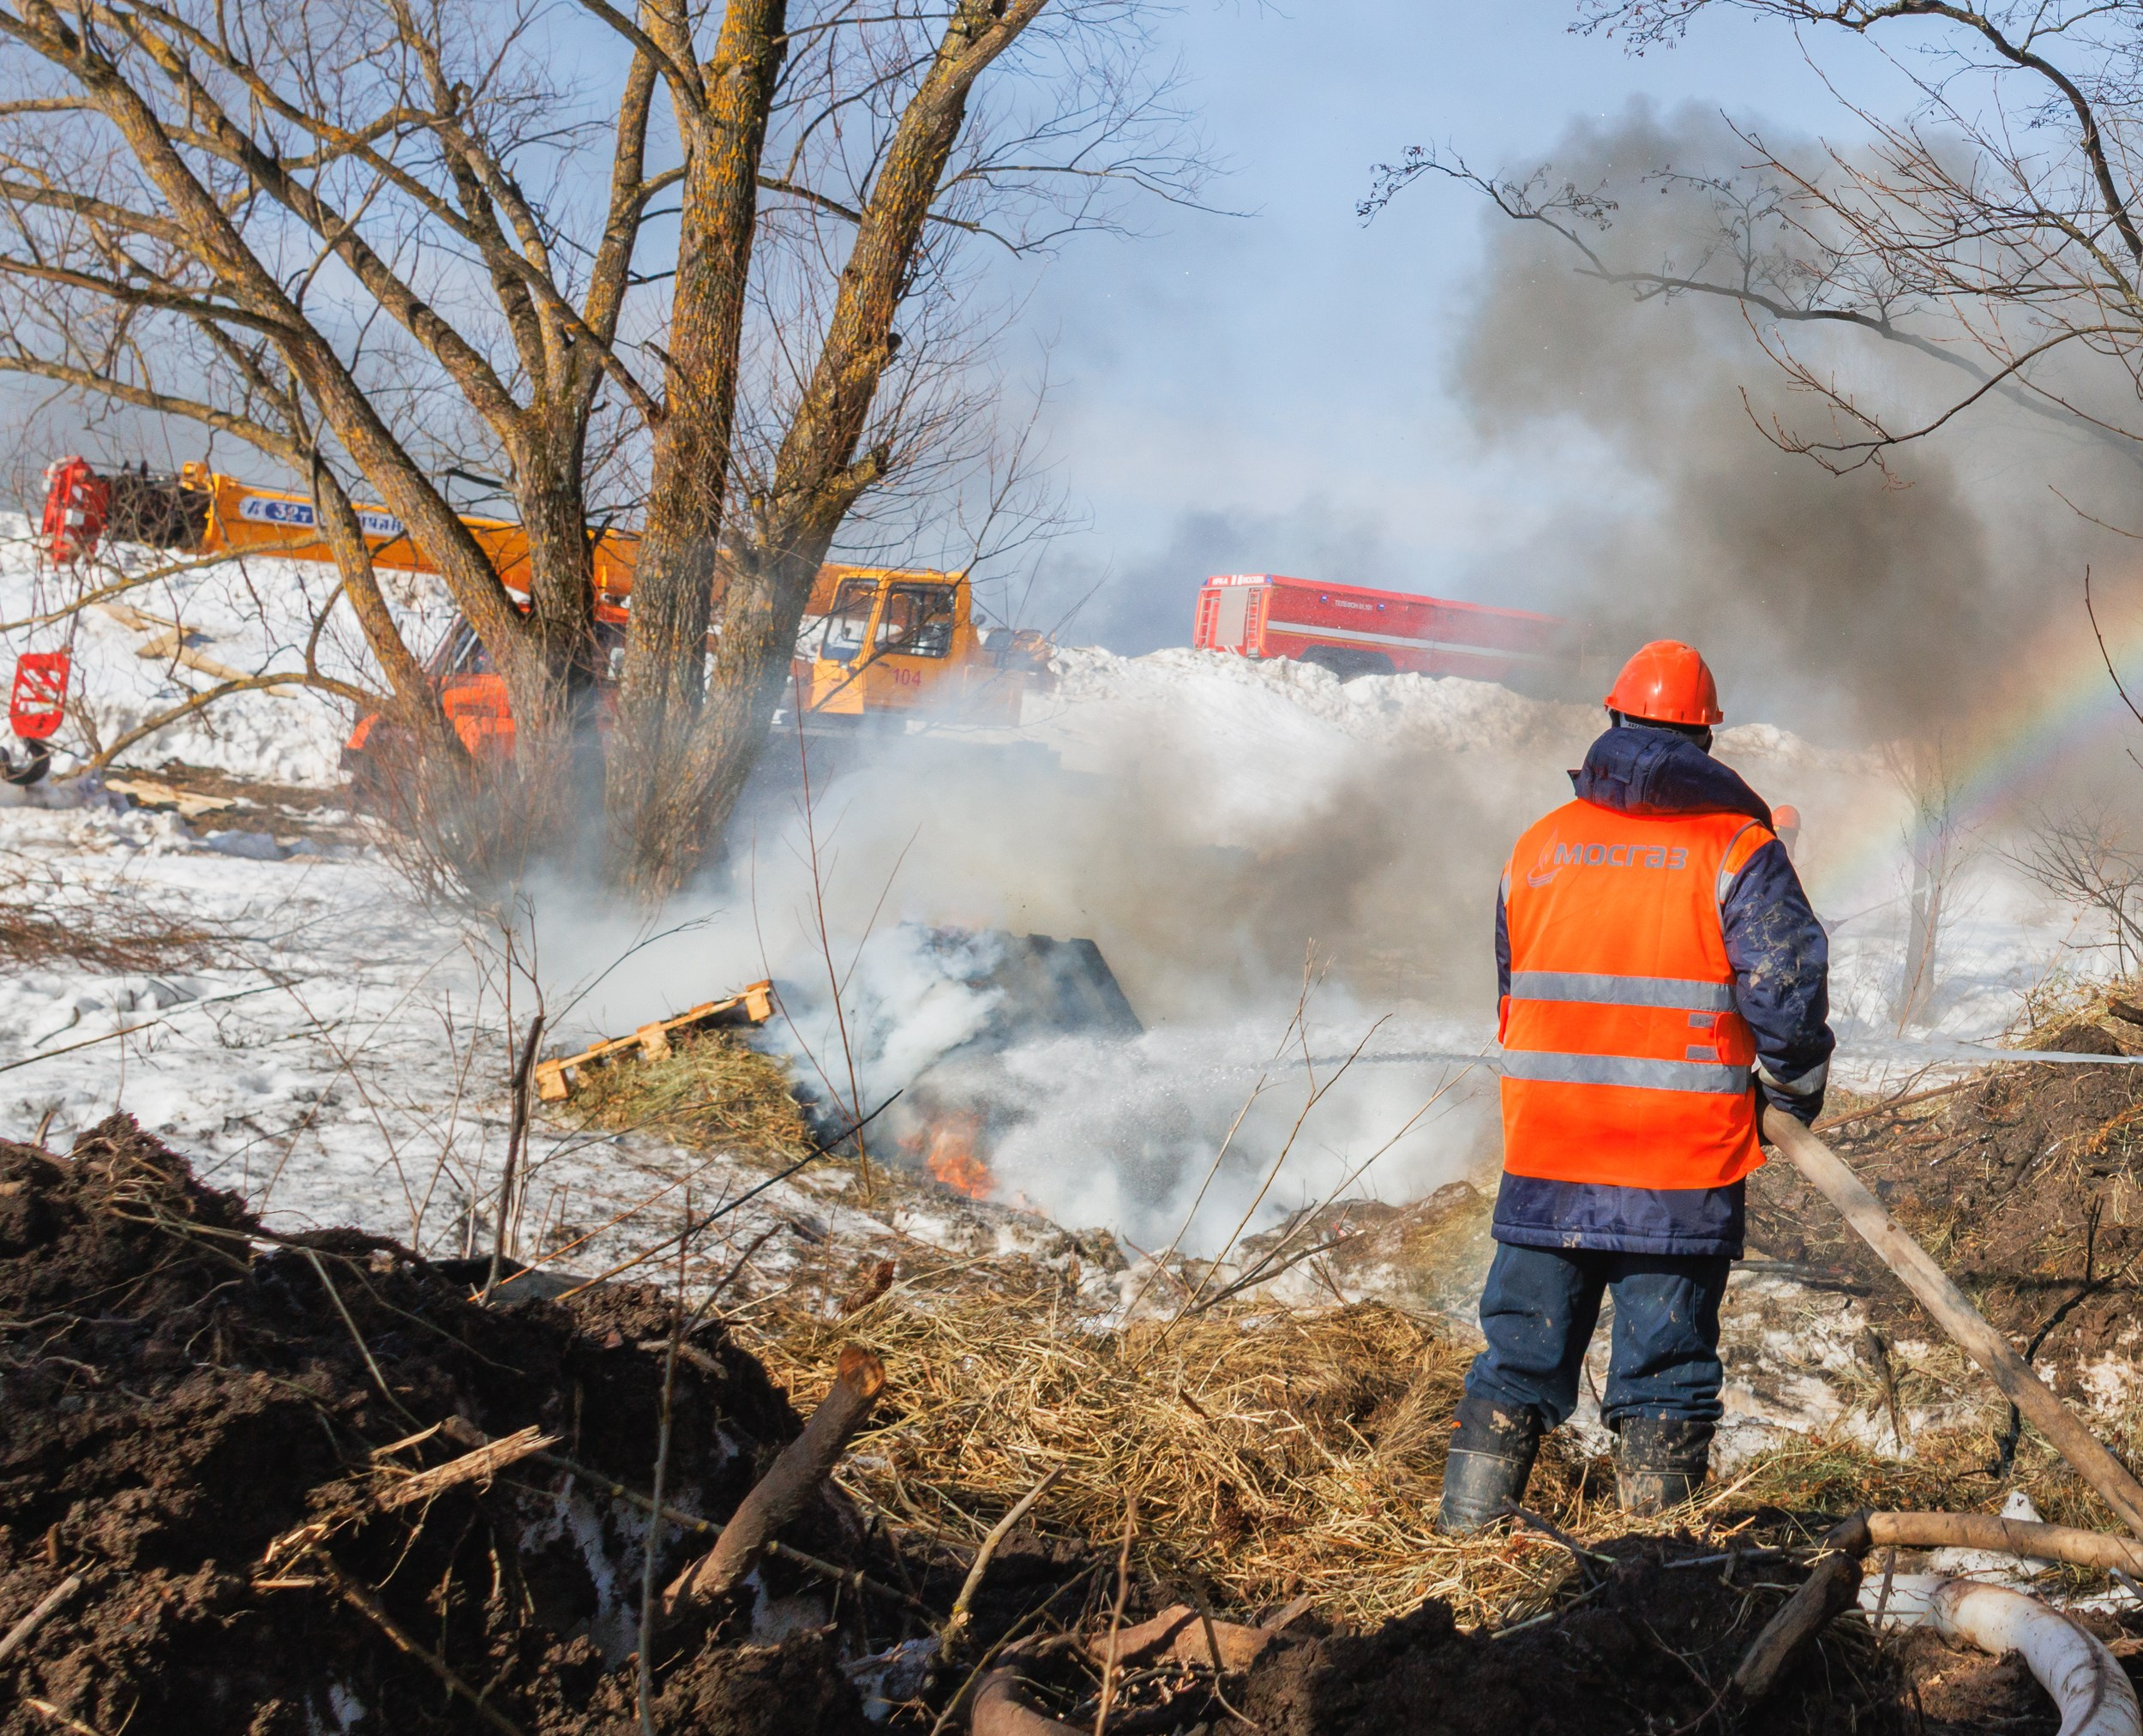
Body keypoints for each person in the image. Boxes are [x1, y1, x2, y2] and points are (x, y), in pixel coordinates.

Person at [1438, 641, 1834, 1529]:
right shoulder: (1737, 848)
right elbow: (1786, 989)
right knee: (1663, 1376)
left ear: (1612, 722)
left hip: (1550, 1150)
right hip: (1678, 1170)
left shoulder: (1538, 845)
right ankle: (1655, 1573)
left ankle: (1461, 1550)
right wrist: (1792, 1093)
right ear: (1704, 736)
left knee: (1513, 1358)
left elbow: (1514, 990)